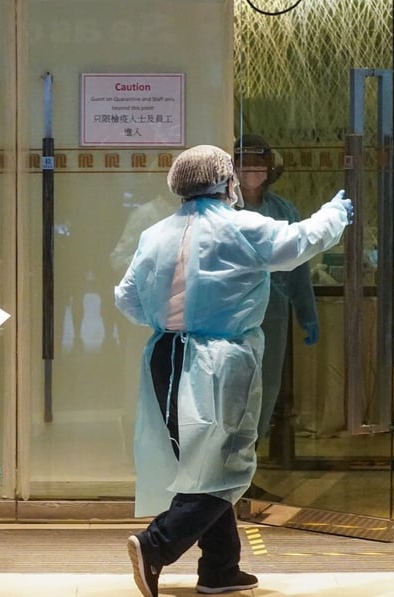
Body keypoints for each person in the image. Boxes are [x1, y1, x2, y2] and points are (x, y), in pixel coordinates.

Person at [114, 144, 352, 596]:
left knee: (199, 461)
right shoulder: (240, 226)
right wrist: (334, 214)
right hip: (220, 361)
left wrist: (171, 319)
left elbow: (127, 297)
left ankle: (220, 568)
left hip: (165, 355)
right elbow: (298, 243)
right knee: (227, 463)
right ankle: (157, 543)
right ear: (226, 182)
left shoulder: (156, 233)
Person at [233, 134, 320, 442]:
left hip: (273, 311)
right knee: (233, 386)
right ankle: (228, 459)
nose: (251, 170)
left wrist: (307, 314)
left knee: (267, 383)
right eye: (244, 163)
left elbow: (299, 268)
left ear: (270, 168)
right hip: (232, 311)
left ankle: (250, 453)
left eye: (258, 163)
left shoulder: (283, 211)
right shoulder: (223, 211)